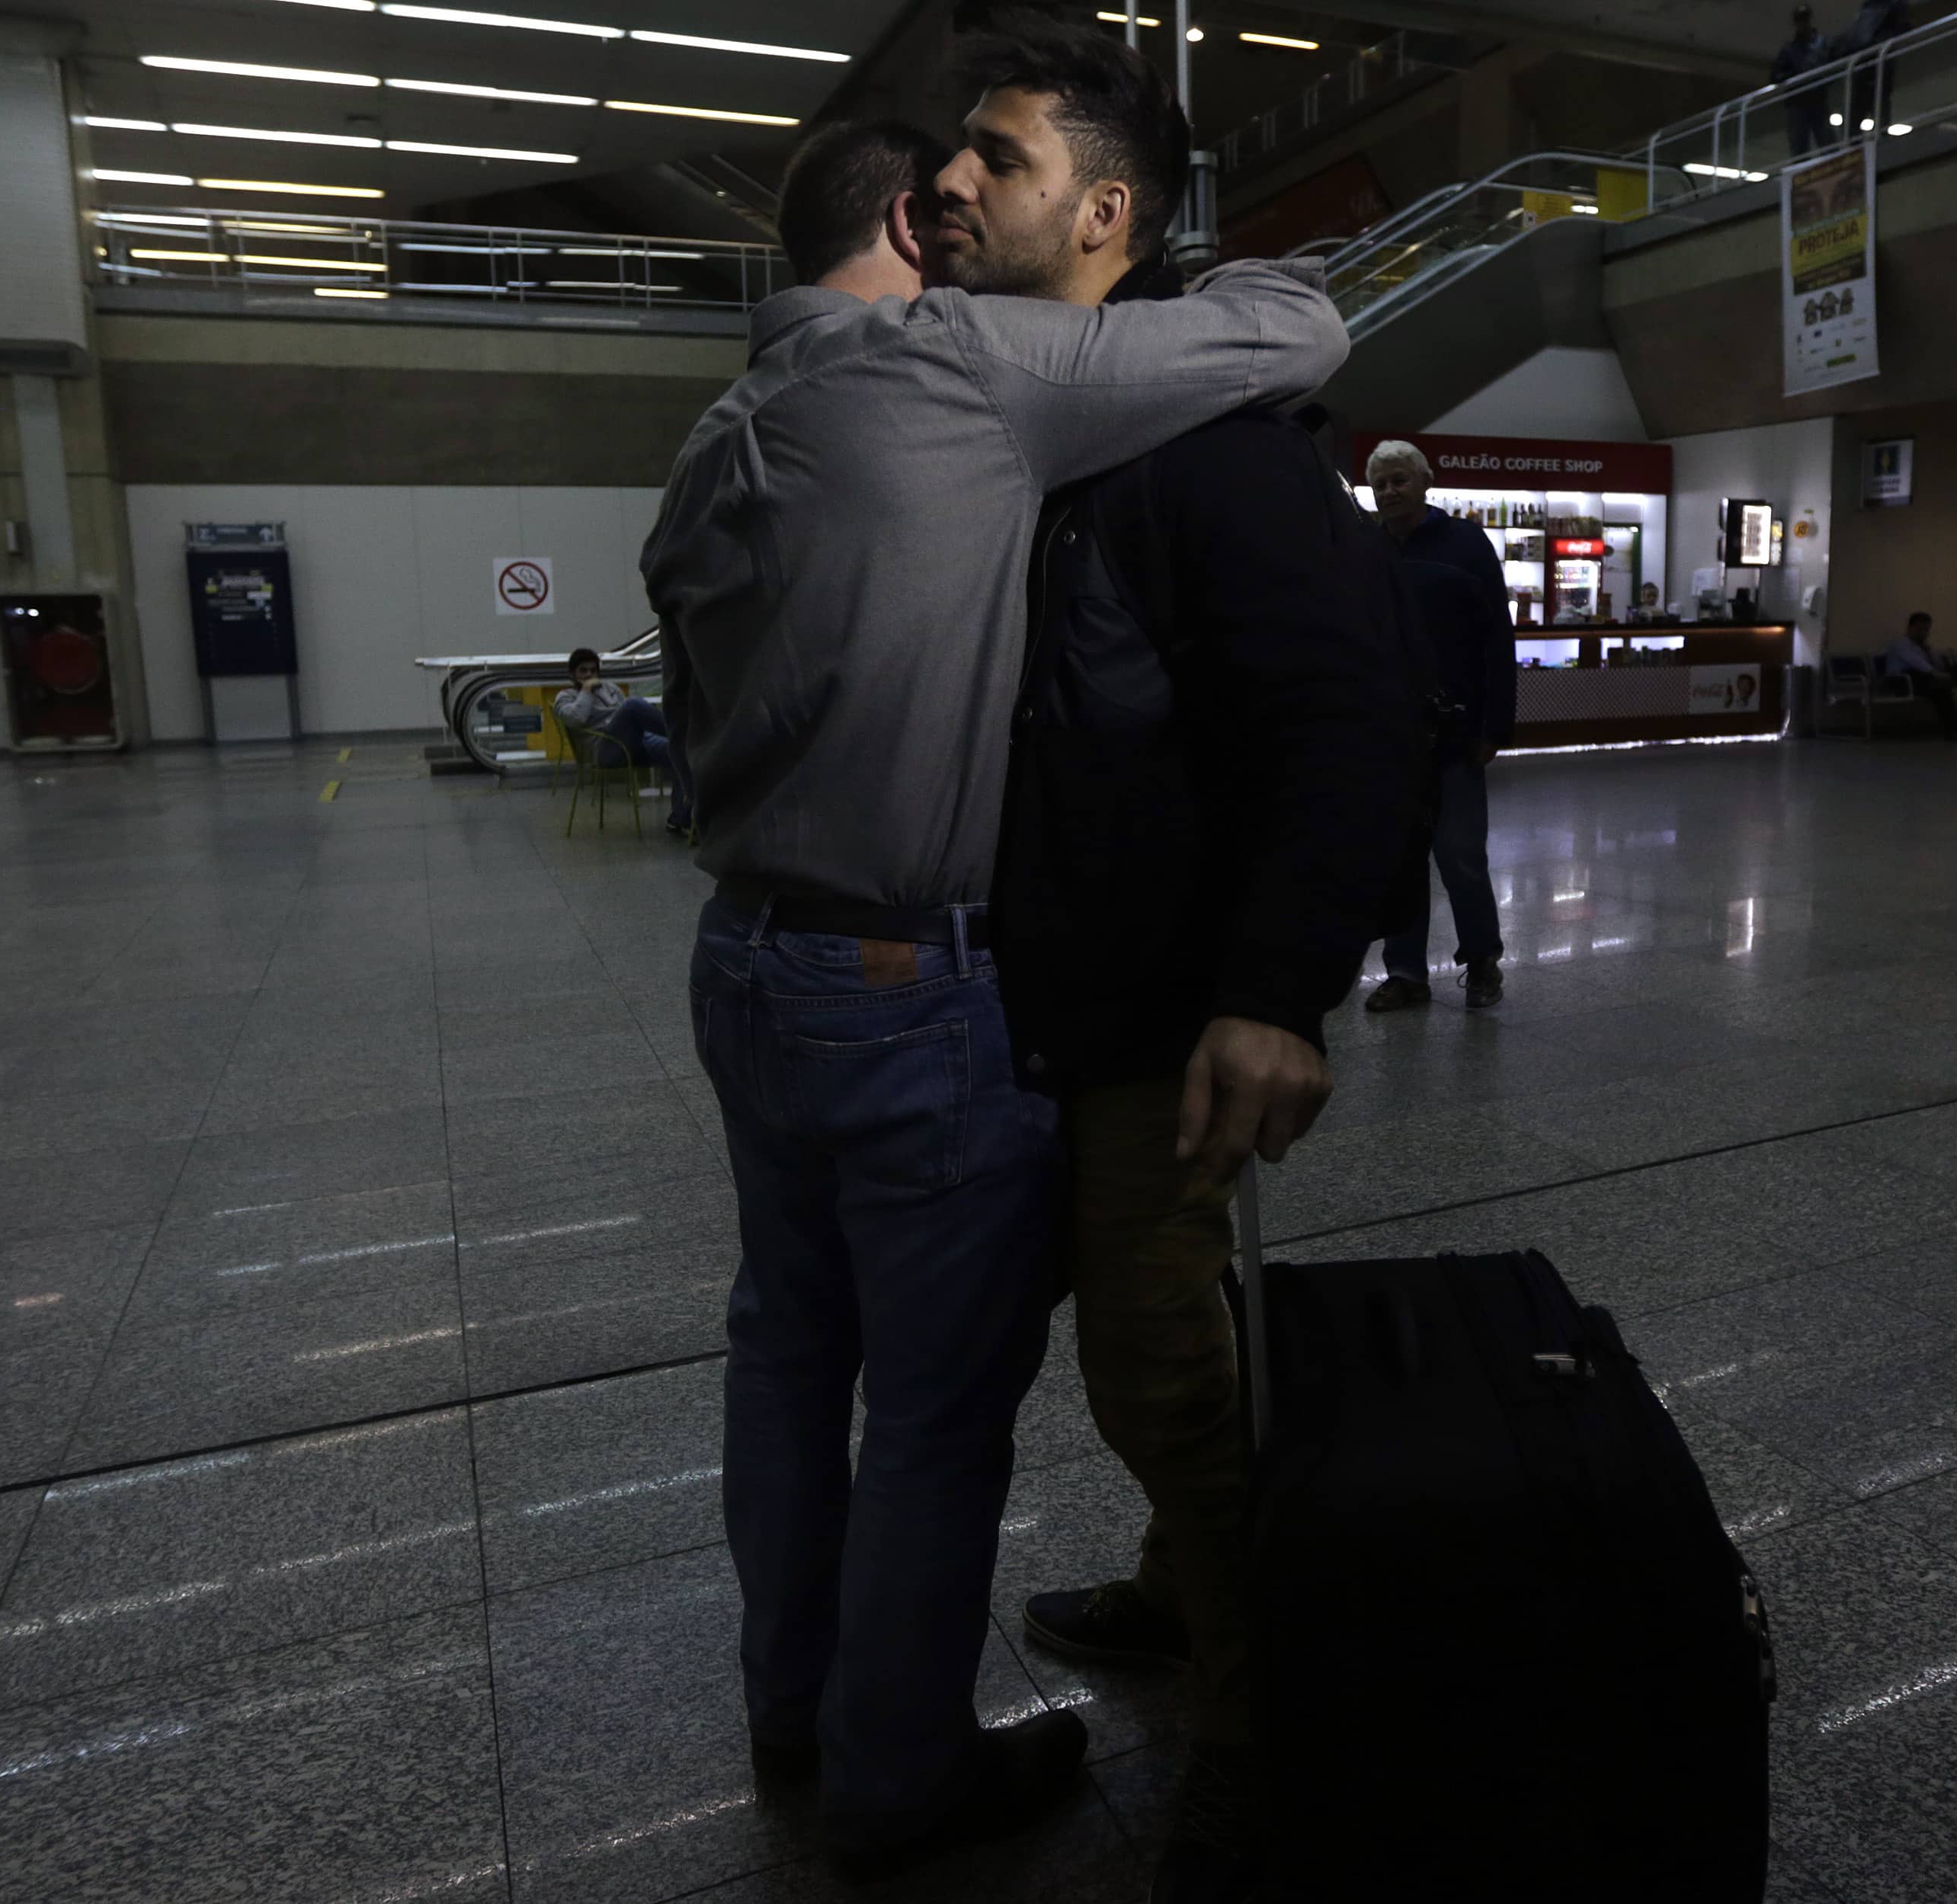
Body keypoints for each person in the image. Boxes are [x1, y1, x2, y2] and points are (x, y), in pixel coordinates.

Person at [642, 96, 1347, 1874]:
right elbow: (1304, 322)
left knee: (788, 1361)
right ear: (907, 241)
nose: (962, 212)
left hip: (745, 960)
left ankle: (793, 1703)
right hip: (902, 977)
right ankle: (900, 1779)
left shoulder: (722, 425)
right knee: (940, 1409)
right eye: (944, 202)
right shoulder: (950, 368)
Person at [946, 22, 1419, 1900]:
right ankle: (1173, 1592)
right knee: (1139, 1351)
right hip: (1040, 996)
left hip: (1162, 1010)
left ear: (1105, 213)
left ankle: (1259, 1716)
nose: (957, 185)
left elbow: (1353, 714)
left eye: (998, 158)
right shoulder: (1040, 436)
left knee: (1163, 1368)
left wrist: (1274, 984)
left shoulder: (1213, 452)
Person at [1363, 440, 1513, 1011]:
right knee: (1399, 858)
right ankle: (1405, 972)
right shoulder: (1366, 549)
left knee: (1459, 854)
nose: (1390, 491)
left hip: (1455, 732)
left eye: (1401, 480)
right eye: (1381, 484)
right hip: (1388, 736)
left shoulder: (1466, 545)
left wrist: (1495, 726)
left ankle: (1482, 962)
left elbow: (1498, 640)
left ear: (1426, 482)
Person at [554, 645, 688, 833]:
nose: (589, 675)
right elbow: (576, 719)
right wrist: (586, 691)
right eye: (583, 671)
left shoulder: (611, 689)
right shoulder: (565, 697)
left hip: (636, 743)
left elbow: (628, 719)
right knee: (633, 705)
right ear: (572, 674)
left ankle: (680, 818)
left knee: (680, 751)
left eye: (593, 671)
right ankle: (685, 734)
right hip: (605, 750)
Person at [1881, 610, 1957, 740]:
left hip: (1922, 679)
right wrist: (1936, 674)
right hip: (1901, 681)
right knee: (1941, 690)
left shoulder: (1922, 647)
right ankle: (1955, 730)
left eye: (1926, 630)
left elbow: (1937, 665)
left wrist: (1929, 651)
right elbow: (1916, 662)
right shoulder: (1901, 644)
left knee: (1943, 690)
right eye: (1920, 629)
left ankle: (1954, 730)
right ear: (1910, 628)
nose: (1923, 633)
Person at [1773, 5, 1834, 156]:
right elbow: (1776, 76)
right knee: (1799, 147)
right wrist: (1795, 77)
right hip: (1798, 103)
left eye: (1805, 20)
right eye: (1800, 21)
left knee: (1826, 140)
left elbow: (1832, 65)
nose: (1803, 24)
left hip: (1818, 100)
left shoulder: (1822, 44)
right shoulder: (1789, 50)